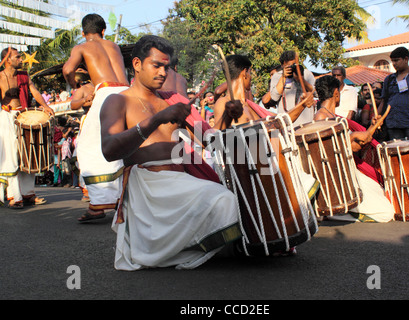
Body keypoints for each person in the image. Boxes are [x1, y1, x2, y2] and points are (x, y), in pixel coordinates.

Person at [100, 35, 241, 270]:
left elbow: (210, 142)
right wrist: (155, 120)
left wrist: (227, 115)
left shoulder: (172, 100)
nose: (163, 73)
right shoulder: (117, 101)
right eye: (156, 65)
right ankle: (184, 248)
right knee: (223, 200)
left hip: (181, 180)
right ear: (137, 64)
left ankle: (188, 246)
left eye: (166, 67)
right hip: (148, 185)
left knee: (226, 201)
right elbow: (108, 150)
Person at [63, 13, 130, 222]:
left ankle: (100, 204)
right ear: (103, 31)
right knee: (126, 146)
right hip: (127, 92)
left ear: (84, 34)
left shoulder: (82, 47)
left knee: (87, 147)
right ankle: (122, 198)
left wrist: (73, 84)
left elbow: (67, 69)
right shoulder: (114, 46)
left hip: (106, 94)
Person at [314, 75, 394, 223]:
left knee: (381, 194)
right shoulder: (321, 117)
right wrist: (354, 136)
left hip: (350, 168)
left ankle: (340, 210)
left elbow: (357, 144)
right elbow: (330, 151)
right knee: (386, 213)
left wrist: (372, 127)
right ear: (336, 93)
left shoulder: (333, 116)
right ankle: (336, 213)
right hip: (339, 173)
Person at [0, 47, 53, 208]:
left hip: (24, 116)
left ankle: (28, 194)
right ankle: (15, 197)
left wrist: (44, 106)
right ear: (8, 59)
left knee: (28, 154)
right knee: (11, 156)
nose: (21, 60)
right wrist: (3, 105)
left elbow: (34, 90)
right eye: (18, 57)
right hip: (6, 118)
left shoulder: (24, 76)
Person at [213, 54, 315, 130]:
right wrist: (227, 114)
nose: (251, 77)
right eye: (250, 72)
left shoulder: (251, 106)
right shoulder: (223, 102)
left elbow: (281, 121)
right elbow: (215, 135)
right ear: (245, 73)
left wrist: (302, 105)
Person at [269, 50, 316, 127]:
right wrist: (283, 77)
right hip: (287, 125)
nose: (291, 68)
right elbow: (274, 97)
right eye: (288, 66)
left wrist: (301, 80)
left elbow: (316, 92)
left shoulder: (306, 74)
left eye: (294, 65)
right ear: (282, 66)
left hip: (306, 125)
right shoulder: (277, 76)